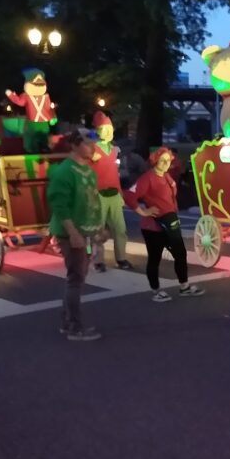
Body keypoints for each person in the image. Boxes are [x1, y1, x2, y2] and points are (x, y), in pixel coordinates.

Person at [125, 147, 205, 302]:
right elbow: (129, 195)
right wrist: (143, 212)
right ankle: (156, 290)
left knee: (180, 254)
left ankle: (184, 286)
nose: (166, 163)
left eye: (168, 160)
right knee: (155, 258)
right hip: (153, 227)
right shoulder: (148, 178)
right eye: (162, 160)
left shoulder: (167, 176)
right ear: (155, 161)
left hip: (171, 223)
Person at [47, 130, 103, 341]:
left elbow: (93, 202)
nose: (93, 147)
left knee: (78, 277)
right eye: (88, 143)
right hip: (72, 234)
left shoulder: (88, 171)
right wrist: (73, 233)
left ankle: (67, 321)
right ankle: (74, 327)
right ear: (75, 145)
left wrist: (99, 229)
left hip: (85, 233)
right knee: (76, 279)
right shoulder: (64, 172)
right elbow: (59, 206)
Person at [89, 112, 133, 272]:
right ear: (97, 131)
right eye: (104, 129)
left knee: (120, 228)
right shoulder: (91, 149)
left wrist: (120, 194)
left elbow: (116, 174)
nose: (108, 132)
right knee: (98, 229)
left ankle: (121, 258)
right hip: (98, 193)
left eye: (110, 129)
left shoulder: (115, 150)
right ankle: (98, 260)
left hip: (114, 193)